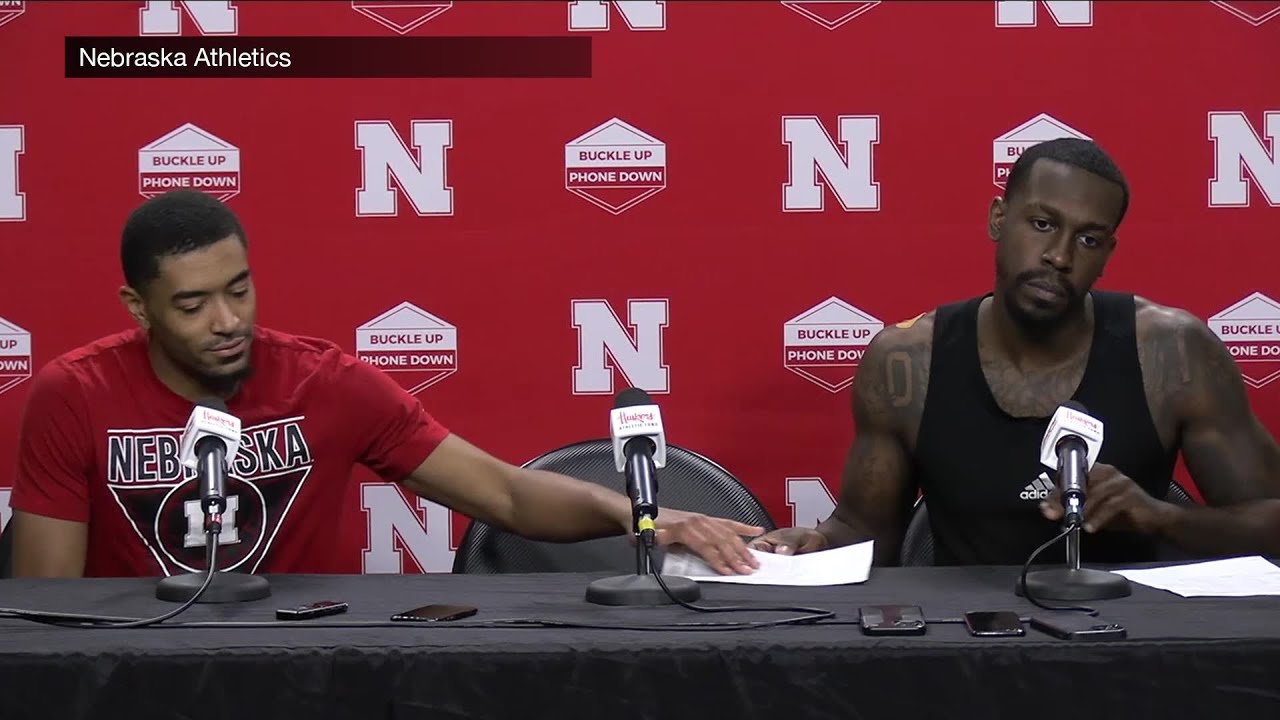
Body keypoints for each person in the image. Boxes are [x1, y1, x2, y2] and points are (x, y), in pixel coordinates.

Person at [7, 190, 763, 579]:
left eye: (239, 289)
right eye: (193, 304)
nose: (227, 319)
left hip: (290, 676)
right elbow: (48, 612)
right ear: (138, 308)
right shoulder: (73, 396)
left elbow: (503, 495)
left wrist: (647, 519)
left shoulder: (323, 383)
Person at [751, 137, 1280, 566]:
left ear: (1108, 255)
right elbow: (865, 532)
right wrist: (816, 546)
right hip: (965, 658)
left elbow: (1271, 522)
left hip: (1129, 658)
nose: (1059, 256)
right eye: (1043, 224)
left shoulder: (1174, 352)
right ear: (998, 220)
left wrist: (1162, 518)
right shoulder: (906, 362)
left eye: (1089, 240)